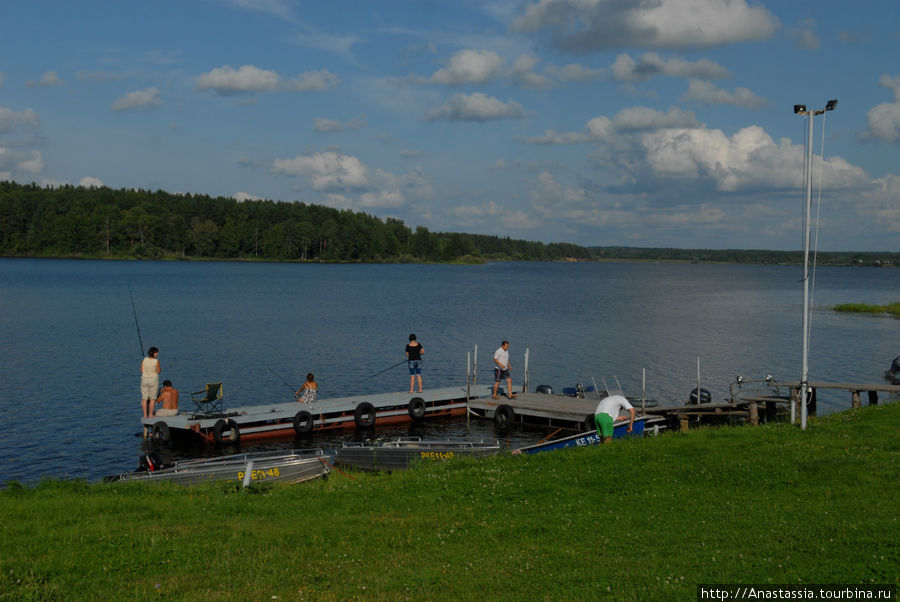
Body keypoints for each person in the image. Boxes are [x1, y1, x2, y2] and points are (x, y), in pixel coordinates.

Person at [140, 347, 161, 418]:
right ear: (153, 353)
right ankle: (151, 415)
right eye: (156, 353)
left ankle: (145, 415)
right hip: (153, 380)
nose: (157, 354)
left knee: (144, 398)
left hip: (144, 380)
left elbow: (141, 370)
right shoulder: (156, 361)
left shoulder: (144, 359)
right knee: (153, 398)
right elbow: (158, 371)